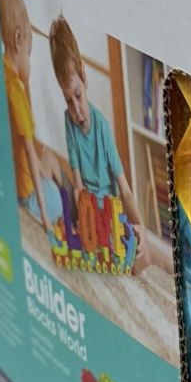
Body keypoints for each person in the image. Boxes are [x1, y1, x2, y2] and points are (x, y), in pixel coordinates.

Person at [48, 14, 148, 273]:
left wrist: (141, 228)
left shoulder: (102, 127)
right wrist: (81, 209)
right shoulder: (68, 120)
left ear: (84, 78)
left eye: (78, 96)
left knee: (133, 254)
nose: (76, 110)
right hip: (85, 205)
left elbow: (124, 189)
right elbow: (77, 181)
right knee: (47, 160)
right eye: (68, 100)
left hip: (107, 210)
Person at [0, 0, 49, 231]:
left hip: (13, 179)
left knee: (47, 160)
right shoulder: (16, 90)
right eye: (29, 53)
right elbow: (29, 152)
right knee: (60, 190)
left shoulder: (1, 69)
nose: (29, 60)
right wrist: (45, 218)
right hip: (27, 196)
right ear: (18, 39)